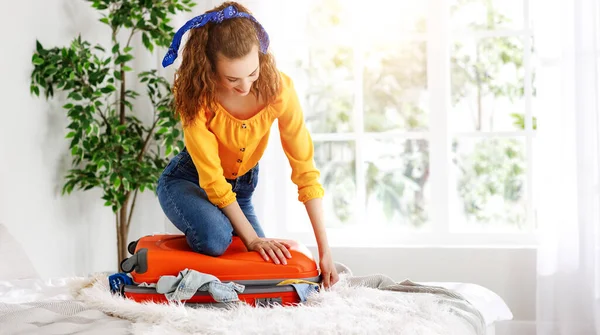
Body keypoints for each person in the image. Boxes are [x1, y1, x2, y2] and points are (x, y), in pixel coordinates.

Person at [156, 1, 339, 288]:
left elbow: (305, 170)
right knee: (216, 239)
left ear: (261, 57)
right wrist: (250, 238)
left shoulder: (280, 89)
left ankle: (220, 226)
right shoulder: (197, 96)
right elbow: (213, 180)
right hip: (189, 179)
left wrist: (325, 252)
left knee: (264, 269)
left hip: (240, 191)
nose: (245, 87)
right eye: (232, 78)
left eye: (252, 73)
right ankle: (201, 232)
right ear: (210, 66)